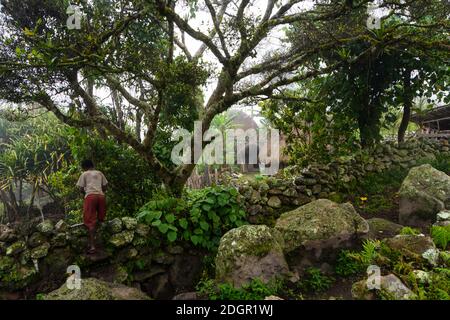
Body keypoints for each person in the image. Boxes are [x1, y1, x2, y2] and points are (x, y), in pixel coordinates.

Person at [76, 160, 108, 254]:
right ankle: (103, 242)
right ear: (92, 165)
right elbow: (106, 185)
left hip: (90, 197)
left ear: (84, 167)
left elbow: (80, 188)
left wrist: (86, 193)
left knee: (90, 222)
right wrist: (100, 191)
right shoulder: (99, 173)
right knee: (101, 219)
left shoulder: (84, 174)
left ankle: (93, 246)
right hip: (101, 196)